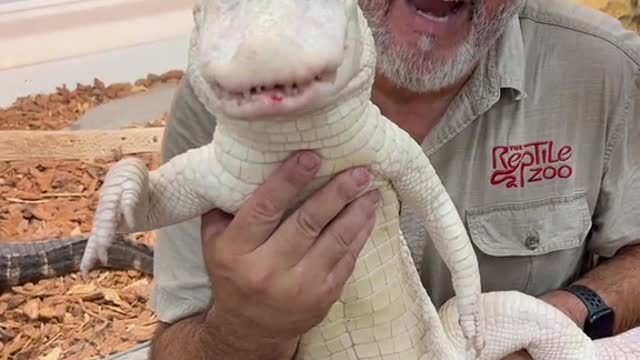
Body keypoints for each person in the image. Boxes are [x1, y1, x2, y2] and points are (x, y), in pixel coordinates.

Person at [147, 0, 640, 359]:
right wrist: (243, 331)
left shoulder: (607, 69)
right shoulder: (228, 91)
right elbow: (177, 335)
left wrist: (559, 323)